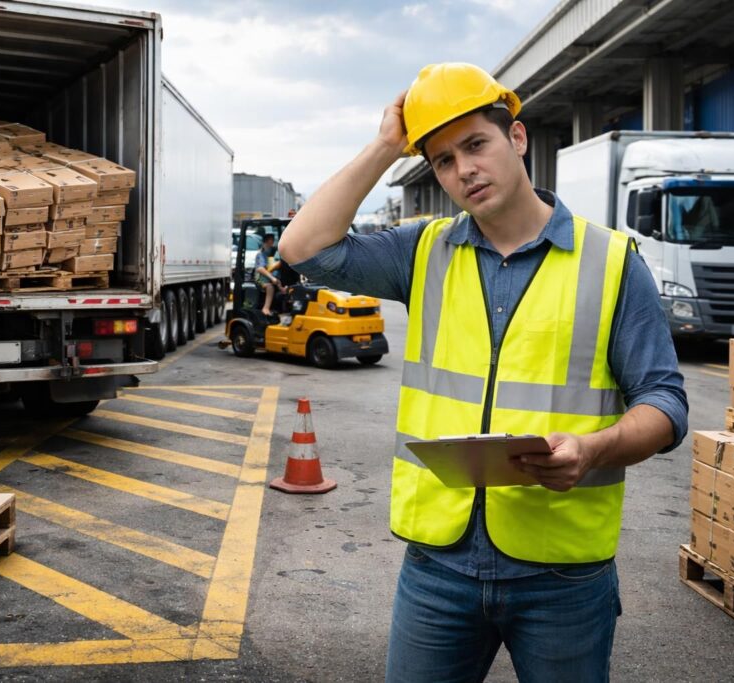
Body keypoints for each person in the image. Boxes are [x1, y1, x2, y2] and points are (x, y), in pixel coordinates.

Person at [279, 63, 688, 683]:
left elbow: (665, 401)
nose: (463, 169)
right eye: (442, 160)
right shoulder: (423, 251)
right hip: (438, 568)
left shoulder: (611, 262)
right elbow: (303, 249)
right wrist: (388, 144)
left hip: (562, 577)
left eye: (476, 144)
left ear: (517, 139)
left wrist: (593, 449)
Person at [254, 233, 285, 316]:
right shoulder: (260, 254)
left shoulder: (270, 252)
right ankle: (266, 308)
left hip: (268, 277)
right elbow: (260, 269)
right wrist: (272, 278)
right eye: (272, 240)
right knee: (270, 286)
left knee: (279, 283)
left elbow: (271, 266)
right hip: (260, 278)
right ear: (268, 241)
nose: (273, 242)